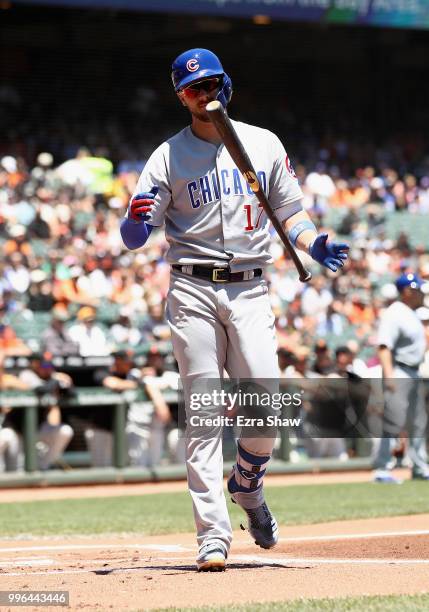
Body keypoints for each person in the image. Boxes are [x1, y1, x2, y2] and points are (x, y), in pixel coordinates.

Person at [120, 48, 349, 572]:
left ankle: (247, 484)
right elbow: (135, 237)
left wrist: (312, 243)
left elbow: (290, 210)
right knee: (202, 415)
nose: (208, 93)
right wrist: (134, 221)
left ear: (228, 83)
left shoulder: (264, 143)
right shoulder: (167, 157)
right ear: (182, 97)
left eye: (214, 83)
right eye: (196, 88)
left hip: (250, 287)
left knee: (265, 408)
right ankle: (212, 535)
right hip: (192, 289)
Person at [373, 273, 429, 483]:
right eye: (417, 289)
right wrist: (389, 376)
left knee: (417, 423)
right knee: (393, 421)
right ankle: (382, 468)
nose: (421, 292)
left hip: (414, 371)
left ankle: (420, 467)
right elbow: (384, 346)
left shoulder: (412, 313)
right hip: (399, 370)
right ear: (407, 291)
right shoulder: (395, 312)